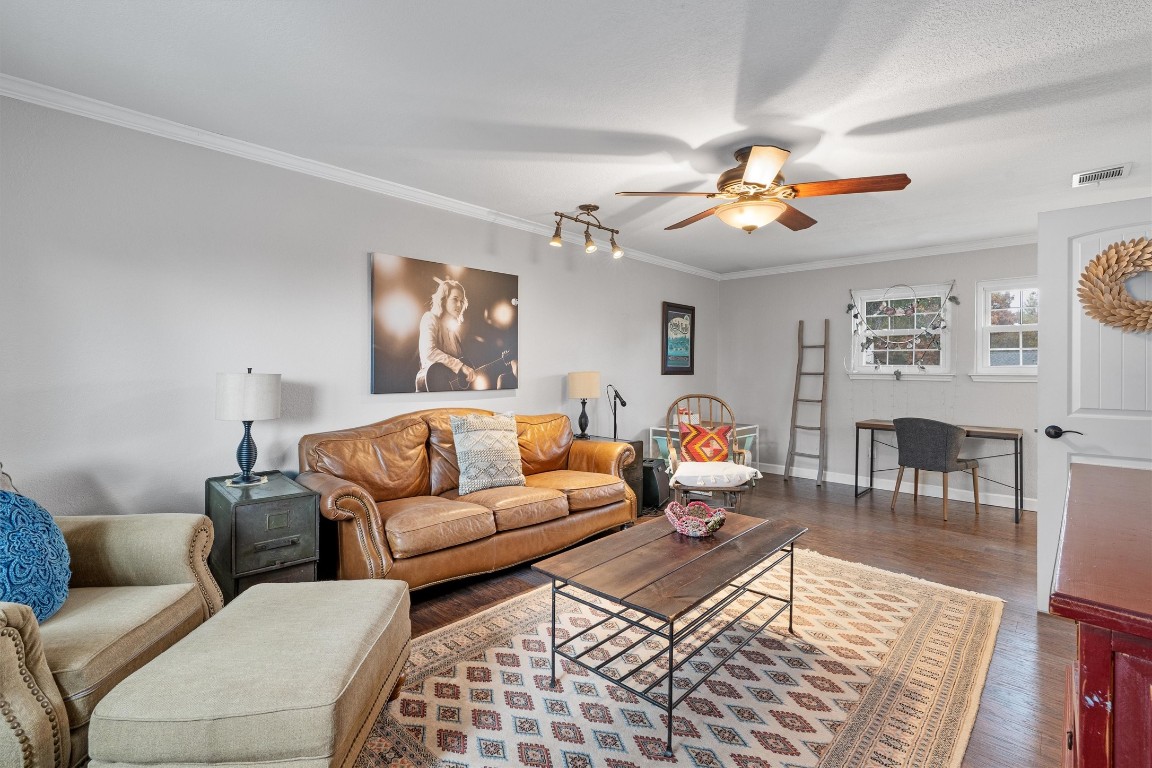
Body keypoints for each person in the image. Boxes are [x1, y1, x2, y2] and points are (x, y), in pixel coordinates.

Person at [415, 278, 475, 392]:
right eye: (455, 299)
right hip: (430, 387)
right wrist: (461, 366)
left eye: (462, 301)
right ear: (443, 300)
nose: (459, 304)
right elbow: (429, 351)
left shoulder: (455, 333)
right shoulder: (429, 318)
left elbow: (455, 368)